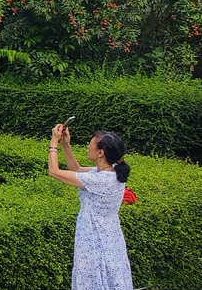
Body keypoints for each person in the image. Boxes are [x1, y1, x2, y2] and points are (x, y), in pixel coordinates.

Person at [48, 123, 134, 290]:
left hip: (94, 234)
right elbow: (77, 169)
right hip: (110, 233)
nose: (88, 146)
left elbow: (54, 172)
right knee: (110, 277)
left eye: (91, 144)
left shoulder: (99, 180)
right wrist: (65, 144)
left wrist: (53, 142)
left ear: (100, 153)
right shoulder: (112, 172)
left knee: (92, 277)